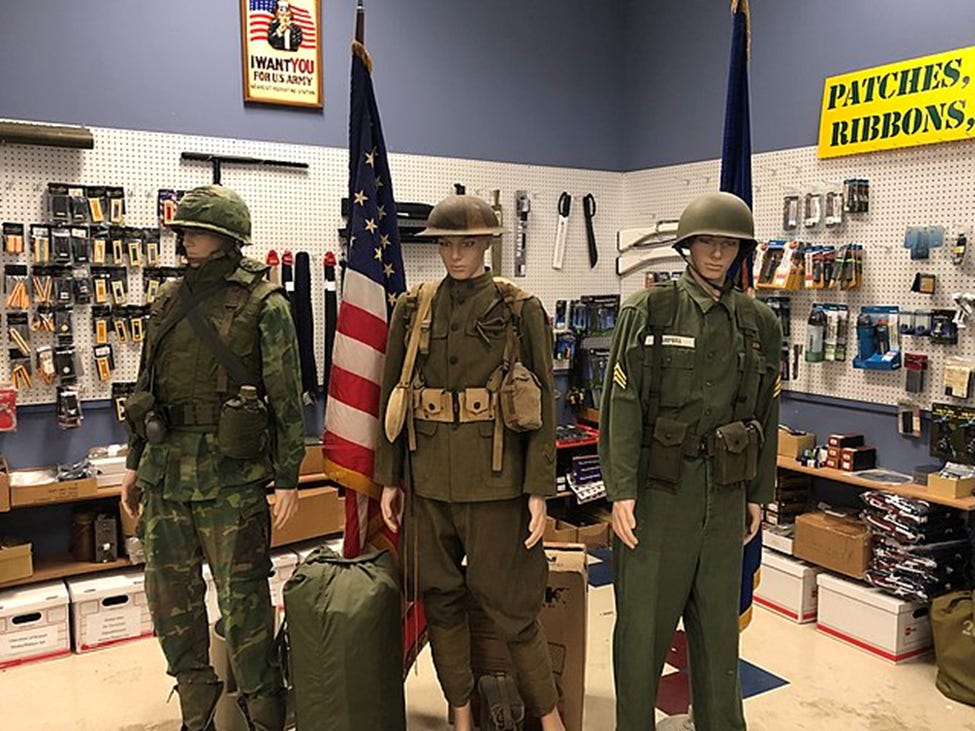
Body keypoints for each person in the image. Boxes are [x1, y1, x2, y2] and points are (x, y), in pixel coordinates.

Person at [375, 195, 566, 731]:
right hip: (429, 479)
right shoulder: (412, 308)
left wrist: (538, 490)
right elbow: (394, 391)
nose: (455, 255)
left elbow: (542, 404)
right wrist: (390, 478)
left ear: (486, 245)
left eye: (467, 243)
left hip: (496, 485)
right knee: (441, 602)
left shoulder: (518, 308)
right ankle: (461, 712)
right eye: (446, 244)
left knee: (514, 609)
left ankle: (548, 717)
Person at [119, 184, 305, 731]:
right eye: (183, 231)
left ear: (226, 238)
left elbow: (287, 398)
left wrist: (288, 477)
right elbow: (144, 386)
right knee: (171, 605)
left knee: (245, 607)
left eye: (196, 231)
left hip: (231, 478)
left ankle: (263, 718)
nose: (185, 239)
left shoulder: (264, 303)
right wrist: (134, 462)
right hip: (165, 473)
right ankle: (196, 717)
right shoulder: (167, 301)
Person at [599, 191, 781, 731]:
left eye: (729, 244)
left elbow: (767, 412)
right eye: (708, 242)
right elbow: (622, 404)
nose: (717, 255)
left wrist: (758, 494)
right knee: (642, 634)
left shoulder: (758, 323)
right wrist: (620, 491)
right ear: (688, 246)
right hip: (659, 497)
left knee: (719, 636)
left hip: (725, 495)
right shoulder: (648, 310)